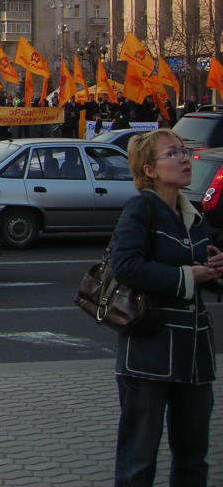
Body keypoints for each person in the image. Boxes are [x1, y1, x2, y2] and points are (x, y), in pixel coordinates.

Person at [110, 129, 223, 487]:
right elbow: (124, 265)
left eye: (185, 151)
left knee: (193, 457)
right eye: (173, 154)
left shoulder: (194, 215)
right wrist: (187, 276)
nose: (185, 159)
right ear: (150, 170)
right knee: (138, 461)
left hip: (194, 354)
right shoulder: (141, 209)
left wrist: (215, 270)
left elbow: (204, 270)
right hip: (150, 350)